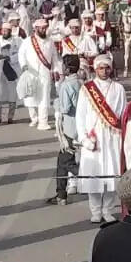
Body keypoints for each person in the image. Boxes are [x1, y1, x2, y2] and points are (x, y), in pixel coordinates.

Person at [75, 54, 127, 225]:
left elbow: (123, 113)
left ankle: (108, 210)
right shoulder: (87, 89)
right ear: (95, 69)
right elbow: (80, 116)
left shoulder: (118, 88)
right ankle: (96, 211)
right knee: (94, 174)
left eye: (107, 68)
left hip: (112, 136)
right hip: (93, 137)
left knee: (112, 174)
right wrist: (83, 138)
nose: (104, 71)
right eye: (100, 68)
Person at [51, 53, 82, 206]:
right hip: (80, 124)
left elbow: (65, 108)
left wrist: (56, 103)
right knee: (62, 160)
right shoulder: (81, 82)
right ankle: (61, 194)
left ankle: (85, 175)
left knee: (65, 161)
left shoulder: (66, 85)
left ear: (67, 68)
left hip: (69, 126)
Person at [19, 17, 57, 131]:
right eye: (42, 28)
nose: (44, 30)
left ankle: (43, 122)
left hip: (45, 73)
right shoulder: (27, 41)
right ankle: (34, 117)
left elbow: (54, 57)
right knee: (31, 97)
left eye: (45, 28)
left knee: (44, 97)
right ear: (36, 28)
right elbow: (21, 54)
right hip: (31, 72)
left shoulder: (50, 41)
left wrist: (55, 69)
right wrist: (24, 66)